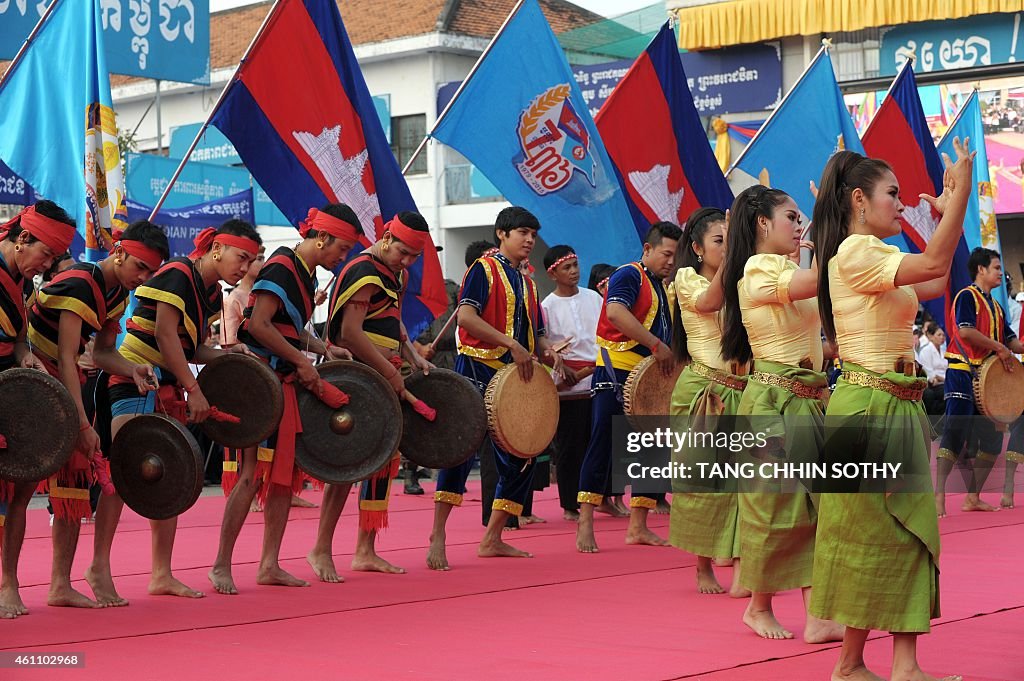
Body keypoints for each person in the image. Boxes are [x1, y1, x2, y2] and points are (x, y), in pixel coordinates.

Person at [811, 141, 974, 681]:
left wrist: (949, 207)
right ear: (860, 200)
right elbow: (932, 264)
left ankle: (893, 664)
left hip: (888, 402)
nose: (902, 205)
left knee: (901, 534)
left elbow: (933, 277)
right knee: (870, 533)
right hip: (867, 406)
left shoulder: (874, 254)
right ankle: (853, 663)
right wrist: (958, 200)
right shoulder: (856, 252)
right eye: (894, 195)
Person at [88, 219, 263, 605]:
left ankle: (161, 574)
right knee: (123, 474)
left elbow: (190, 350)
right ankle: (99, 567)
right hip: (132, 379)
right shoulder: (180, 273)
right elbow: (166, 336)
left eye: (251, 261)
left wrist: (226, 355)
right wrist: (195, 389)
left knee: (168, 475)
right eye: (242, 257)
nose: (246, 267)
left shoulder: (211, 290)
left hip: (165, 384)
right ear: (217, 248)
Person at [208, 206, 357, 595]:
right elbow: (258, 326)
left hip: (285, 380)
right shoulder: (282, 266)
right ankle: (221, 564)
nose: (342, 257)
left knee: (281, 478)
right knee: (251, 473)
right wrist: (298, 361)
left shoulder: (305, 275)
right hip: (262, 382)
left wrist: (325, 348)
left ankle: (269, 564)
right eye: (341, 248)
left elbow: (290, 331)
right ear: (321, 238)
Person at [720, 185, 840, 642]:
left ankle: (817, 614)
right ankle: (758, 606)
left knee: (814, 507)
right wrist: (837, 226)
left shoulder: (787, 268)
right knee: (775, 508)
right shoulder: (756, 268)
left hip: (807, 400)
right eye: (792, 217)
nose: (799, 225)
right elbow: (822, 282)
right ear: (763, 225)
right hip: (772, 403)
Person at [29, 221, 168, 610]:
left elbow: (102, 354)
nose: (142, 278)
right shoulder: (81, 283)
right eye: (139, 267)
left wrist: (132, 368)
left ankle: (60, 585)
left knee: (72, 486)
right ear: (119, 253)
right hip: (32, 381)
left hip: (64, 381)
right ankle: (8, 585)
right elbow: (66, 359)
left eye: (149, 273)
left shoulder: (118, 295)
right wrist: (83, 424)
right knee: (15, 490)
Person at [426, 207, 565, 570]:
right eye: (523, 232)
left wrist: (548, 351)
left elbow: (537, 334)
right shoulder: (481, 270)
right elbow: (467, 317)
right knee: (460, 453)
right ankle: (438, 534)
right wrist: (511, 343)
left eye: (533, 234)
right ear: (501, 234)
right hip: (476, 366)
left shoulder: (529, 284)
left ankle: (493, 538)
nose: (530, 240)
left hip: (513, 377)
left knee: (523, 454)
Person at [307, 211, 434, 582]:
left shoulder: (397, 273)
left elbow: (391, 320)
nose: (407, 261)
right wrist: (391, 371)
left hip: (386, 370)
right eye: (403, 252)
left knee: (381, 463)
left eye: (414, 256)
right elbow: (348, 333)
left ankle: (366, 549)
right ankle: (320, 548)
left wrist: (409, 355)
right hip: (360, 375)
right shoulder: (364, 270)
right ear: (387, 236)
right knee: (349, 463)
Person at [575, 221, 680, 554]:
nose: (670, 262)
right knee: (603, 444)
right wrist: (654, 344)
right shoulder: (628, 274)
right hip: (616, 370)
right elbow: (616, 312)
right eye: (666, 254)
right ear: (647, 249)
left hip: (649, 377)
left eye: (675, 256)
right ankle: (585, 522)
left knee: (653, 449)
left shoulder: (662, 286)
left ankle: (638, 526)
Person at [667, 207, 749, 596]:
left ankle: (741, 565)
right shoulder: (686, 278)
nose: (727, 247)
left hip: (740, 390)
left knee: (744, 485)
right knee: (702, 483)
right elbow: (709, 303)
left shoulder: (742, 278)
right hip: (703, 392)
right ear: (697, 248)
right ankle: (702, 566)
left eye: (730, 240)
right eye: (720, 241)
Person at [0, 202, 77, 618]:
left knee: (22, 487)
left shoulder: (24, 282)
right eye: (46, 254)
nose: (47, 264)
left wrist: (24, 351)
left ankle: (8, 582)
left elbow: (17, 335)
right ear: (23, 238)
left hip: (12, 394)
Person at [935, 247, 1024, 516]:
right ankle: (938, 497)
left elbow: (1012, 343)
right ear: (981, 269)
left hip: (988, 381)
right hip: (963, 373)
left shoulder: (996, 307)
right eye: (996, 268)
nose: (1000, 273)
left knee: (992, 443)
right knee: (955, 432)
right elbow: (965, 331)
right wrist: (999, 348)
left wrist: (1010, 347)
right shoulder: (966, 296)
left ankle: (972, 496)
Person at [541, 245, 602, 522]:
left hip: (598, 376)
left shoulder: (593, 298)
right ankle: (569, 504)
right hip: (567, 383)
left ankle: (601, 499)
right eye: (567, 267)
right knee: (570, 446)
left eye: (576, 265)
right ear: (553, 273)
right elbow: (544, 347)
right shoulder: (546, 307)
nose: (574, 271)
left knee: (598, 442)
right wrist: (563, 369)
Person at [918, 322, 947, 419]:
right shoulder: (926, 351)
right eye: (939, 335)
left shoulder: (945, 351)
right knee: (946, 392)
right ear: (930, 336)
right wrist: (942, 379)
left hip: (944, 381)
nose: (942, 337)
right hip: (933, 384)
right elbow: (930, 374)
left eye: (943, 335)